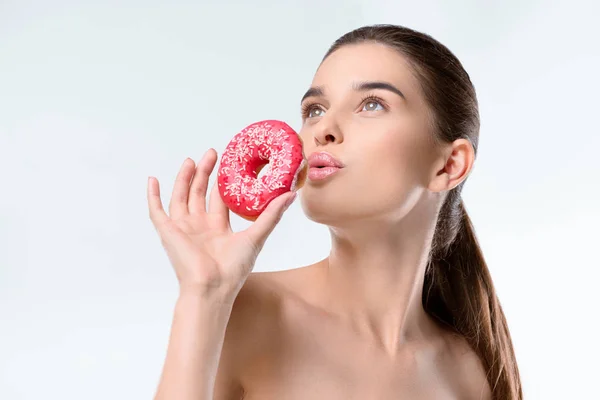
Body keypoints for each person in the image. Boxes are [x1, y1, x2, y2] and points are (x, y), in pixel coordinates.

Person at [147, 24, 522, 400]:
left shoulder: (465, 373)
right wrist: (204, 296)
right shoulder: (244, 314)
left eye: (372, 104)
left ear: (449, 166)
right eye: (314, 109)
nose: (323, 128)